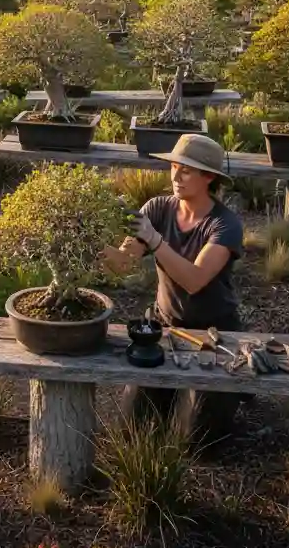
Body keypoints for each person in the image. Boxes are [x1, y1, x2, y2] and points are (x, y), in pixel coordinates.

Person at [101, 132, 244, 442]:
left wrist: (155, 240)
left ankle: (233, 392)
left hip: (214, 333)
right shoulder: (158, 208)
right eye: (174, 166)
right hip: (165, 328)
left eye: (187, 170)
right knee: (134, 430)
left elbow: (194, 280)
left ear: (208, 177)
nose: (176, 176)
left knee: (196, 441)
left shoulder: (224, 225)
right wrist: (91, 240)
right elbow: (124, 262)